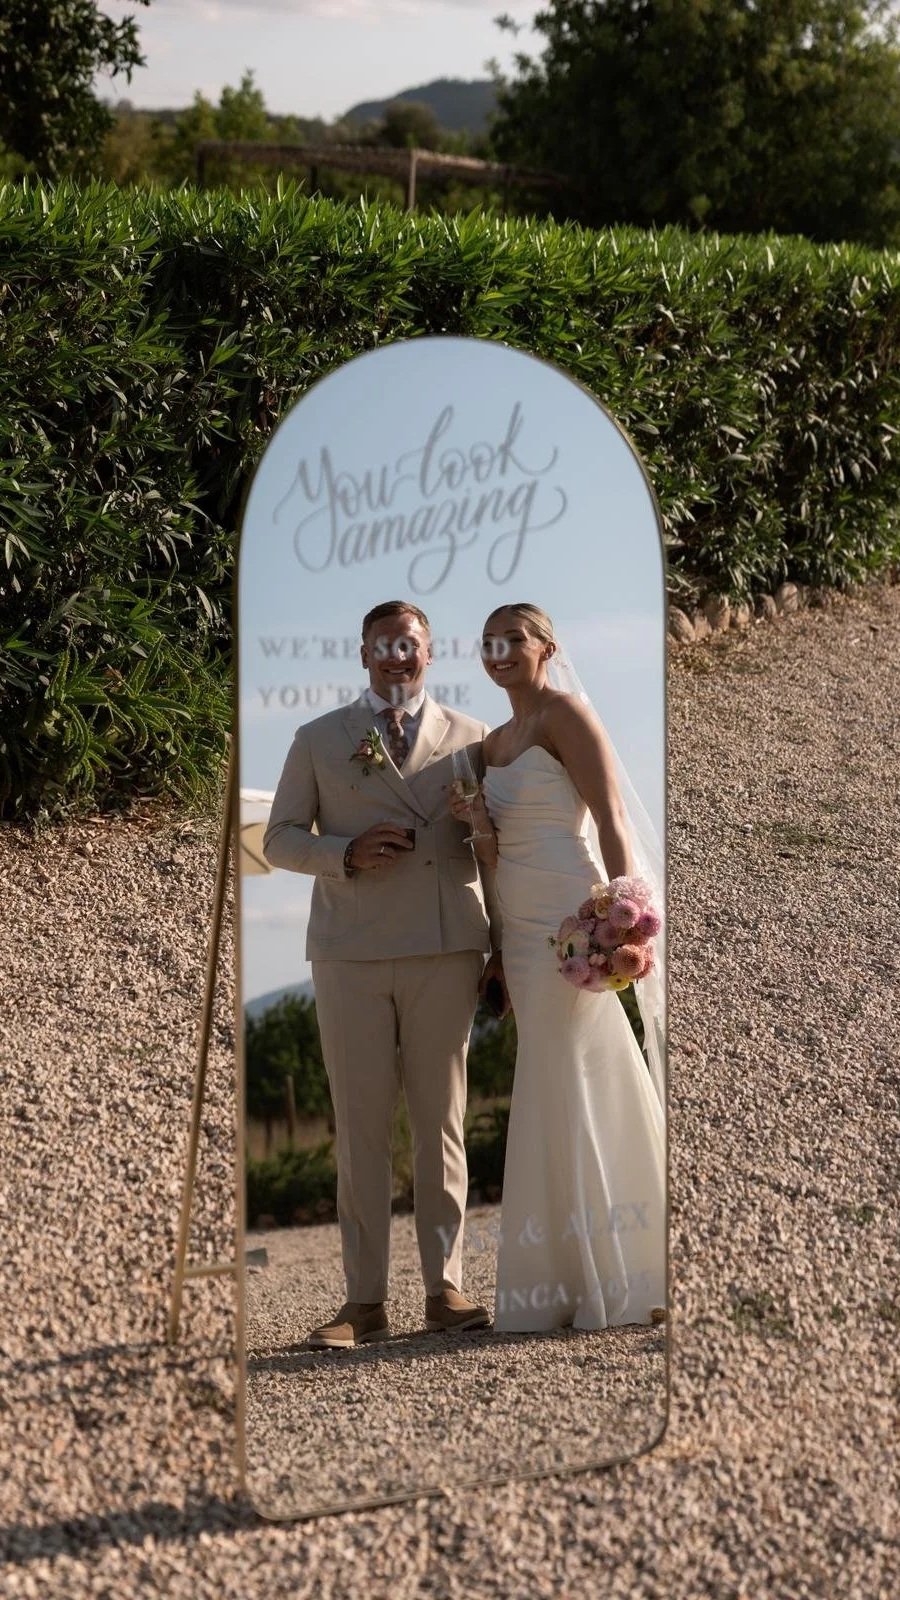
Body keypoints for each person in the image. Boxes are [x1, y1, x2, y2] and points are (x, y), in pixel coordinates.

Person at [263, 600, 505, 1349]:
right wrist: (344, 852)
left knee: (441, 1123)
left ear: (429, 655)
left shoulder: (473, 740)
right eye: (384, 646)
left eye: (412, 645)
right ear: (364, 654)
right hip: (350, 951)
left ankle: (446, 1289)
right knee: (362, 1126)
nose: (398, 657)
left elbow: (495, 848)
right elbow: (277, 839)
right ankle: (363, 1304)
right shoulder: (316, 738)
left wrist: (499, 945)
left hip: (446, 945)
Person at [449, 602, 665, 1333]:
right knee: (546, 1075)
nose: (499, 651)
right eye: (489, 643)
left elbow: (610, 816)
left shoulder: (563, 715)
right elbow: (493, 854)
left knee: (586, 1067)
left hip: (576, 919)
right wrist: (476, 826)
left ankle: (630, 1269)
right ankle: (563, 1279)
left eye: (513, 639)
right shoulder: (493, 741)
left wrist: (620, 915)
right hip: (521, 931)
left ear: (546, 647)